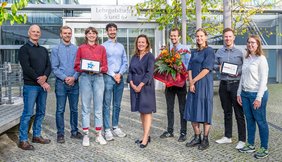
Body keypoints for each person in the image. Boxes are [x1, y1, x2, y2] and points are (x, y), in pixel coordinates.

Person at [18, 24, 52, 150]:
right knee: (27, 113)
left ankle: (36, 135)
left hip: (42, 87)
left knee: (41, 112)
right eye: (33, 31)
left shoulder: (43, 50)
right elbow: (27, 68)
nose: (36, 33)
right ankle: (22, 140)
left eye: (38, 32)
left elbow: (49, 66)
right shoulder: (24, 49)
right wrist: (42, 81)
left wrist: (45, 77)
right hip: (31, 86)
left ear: (40, 34)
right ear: (29, 33)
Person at [74, 27, 108, 146]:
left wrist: (98, 69)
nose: (91, 35)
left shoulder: (102, 48)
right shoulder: (81, 48)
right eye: (89, 33)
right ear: (86, 35)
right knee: (85, 107)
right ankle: (86, 135)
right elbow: (77, 65)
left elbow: (105, 67)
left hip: (98, 78)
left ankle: (99, 135)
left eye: (93, 33)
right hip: (85, 78)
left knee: (98, 108)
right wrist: (85, 67)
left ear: (96, 35)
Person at [237, 35, 269, 159]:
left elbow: (263, 80)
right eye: (249, 42)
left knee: (261, 122)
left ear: (258, 44)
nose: (250, 45)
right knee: (249, 120)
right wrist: (239, 93)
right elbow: (242, 77)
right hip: (245, 94)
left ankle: (264, 147)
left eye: (253, 43)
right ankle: (250, 144)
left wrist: (258, 98)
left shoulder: (261, 59)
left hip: (257, 94)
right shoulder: (247, 58)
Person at [214, 28, 246, 149]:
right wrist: (219, 67)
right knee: (227, 112)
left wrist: (237, 71)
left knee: (239, 113)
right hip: (223, 85)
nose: (227, 38)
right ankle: (227, 136)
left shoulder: (240, 51)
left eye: (229, 36)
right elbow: (213, 65)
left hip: (236, 85)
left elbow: (245, 66)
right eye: (225, 37)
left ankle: (242, 139)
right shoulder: (219, 52)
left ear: (234, 37)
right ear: (223, 38)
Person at [51, 26, 83, 144]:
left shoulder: (77, 49)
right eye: (65, 33)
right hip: (61, 84)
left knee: (74, 109)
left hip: (75, 83)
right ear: (61, 34)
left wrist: (74, 77)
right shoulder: (55, 50)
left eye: (69, 33)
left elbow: (80, 66)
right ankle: (60, 134)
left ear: (71, 34)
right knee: (60, 109)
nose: (67, 35)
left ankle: (74, 132)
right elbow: (54, 67)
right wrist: (65, 78)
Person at [184, 28, 215, 150]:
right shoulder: (194, 52)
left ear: (206, 37)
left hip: (204, 84)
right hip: (193, 85)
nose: (199, 38)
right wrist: (191, 83)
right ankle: (197, 137)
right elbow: (190, 67)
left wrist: (194, 81)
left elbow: (206, 69)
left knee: (205, 109)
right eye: (197, 36)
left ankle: (205, 139)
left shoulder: (209, 51)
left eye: (201, 36)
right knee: (192, 109)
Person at [159, 28, 190, 142]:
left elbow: (188, 65)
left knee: (182, 108)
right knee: (169, 108)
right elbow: (163, 66)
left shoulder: (185, 49)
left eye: (175, 36)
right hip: (170, 84)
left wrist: (181, 68)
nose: (173, 38)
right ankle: (170, 130)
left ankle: (183, 132)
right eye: (171, 36)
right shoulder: (168, 50)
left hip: (181, 83)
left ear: (179, 36)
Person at [127, 34, 156, 148]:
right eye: (139, 42)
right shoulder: (134, 56)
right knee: (141, 111)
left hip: (146, 87)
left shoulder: (150, 56)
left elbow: (149, 73)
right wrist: (132, 83)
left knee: (147, 111)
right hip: (135, 87)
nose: (141, 44)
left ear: (147, 44)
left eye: (143, 42)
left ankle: (145, 138)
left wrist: (141, 85)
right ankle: (146, 134)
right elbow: (130, 71)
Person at [102, 23, 128, 141]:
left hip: (120, 77)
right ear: (107, 32)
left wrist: (120, 74)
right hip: (108, 77)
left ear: (116, 31)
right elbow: (103, 63)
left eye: (114, 30)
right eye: (110, 30)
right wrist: (113, 75)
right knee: (107, 104)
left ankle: (115, 126)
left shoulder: (121, 46)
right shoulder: (103, 46)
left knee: (117, 104)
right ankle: (107, 129)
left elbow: (125, 62)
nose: (112, 32)